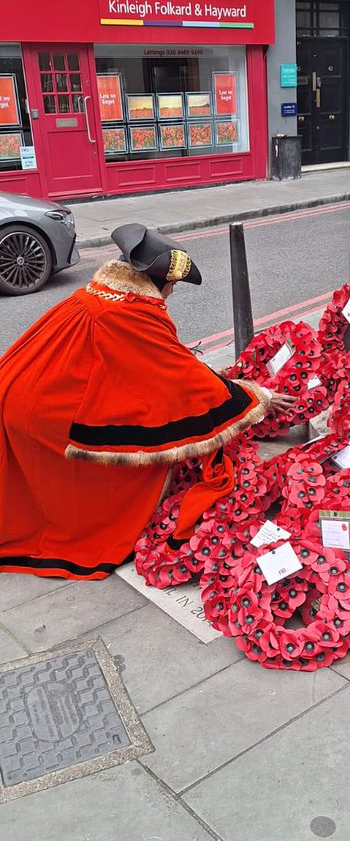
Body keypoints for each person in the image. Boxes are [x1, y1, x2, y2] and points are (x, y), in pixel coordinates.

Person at [0, 224, 293, 582]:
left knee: (35, 491)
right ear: (157, 281)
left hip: (18, 389)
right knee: (94, 485)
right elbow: (180, 375)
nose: (172, 293)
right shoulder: (134, 314)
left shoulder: (102, 293)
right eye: (172, 285)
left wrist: (218, 378)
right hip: (47, 411)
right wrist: (259, 396)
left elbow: (158, 365)